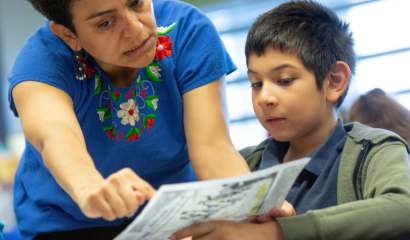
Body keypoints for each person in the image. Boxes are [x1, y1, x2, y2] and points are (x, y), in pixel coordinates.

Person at [8, 0, 255, 239]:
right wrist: (88, 187)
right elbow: (55, 135)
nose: (135, 29)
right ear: (68, 35)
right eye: (105, 23)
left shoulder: (187, 30)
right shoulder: (39, 63)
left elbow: (213, 151)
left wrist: (251, 210)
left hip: (173, 213)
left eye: (136, 2)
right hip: (68, 223)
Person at [171, 1, 410, 239]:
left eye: (284, 80)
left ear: (334, 81)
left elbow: (403, 208)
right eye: (256, 83)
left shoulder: (373, 150)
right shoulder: (243, 165)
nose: (264, 97)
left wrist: (277, 232)